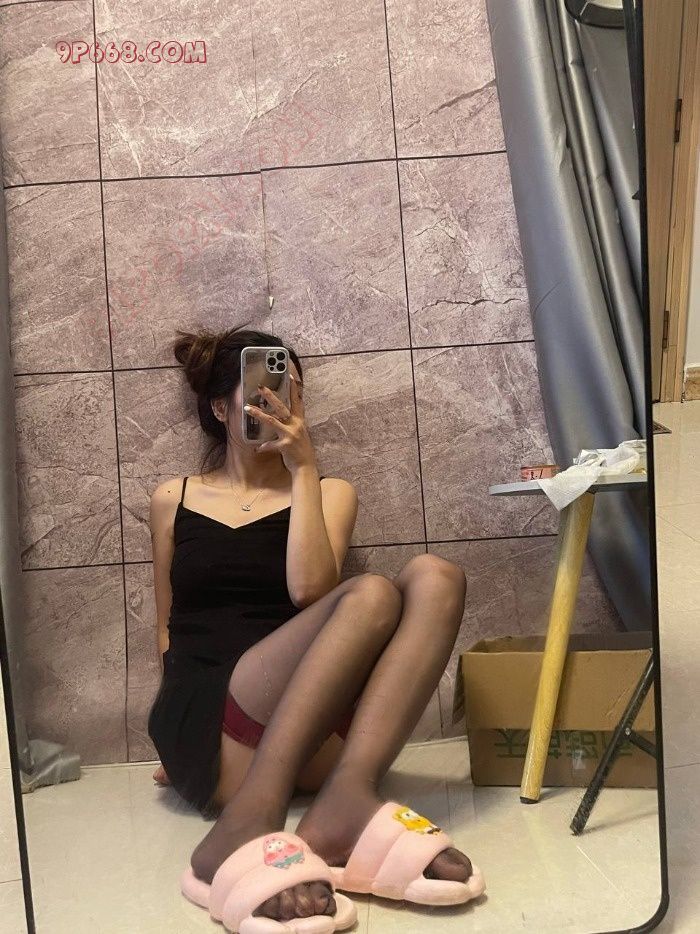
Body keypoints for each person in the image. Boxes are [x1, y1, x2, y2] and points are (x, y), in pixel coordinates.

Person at [147, 325, 475, 925]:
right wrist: (178, 741)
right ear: (220, 409)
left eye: (291, 392)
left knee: (436, 577)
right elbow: (168, 628)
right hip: (221, 733)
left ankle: (346, 800)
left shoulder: (329, 491)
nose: (279, 403)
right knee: (371, 591)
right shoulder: (176, 497)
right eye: (263, 390)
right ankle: (250, 818)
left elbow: (309, 591)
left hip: (313, 736)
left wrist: (302, 470)